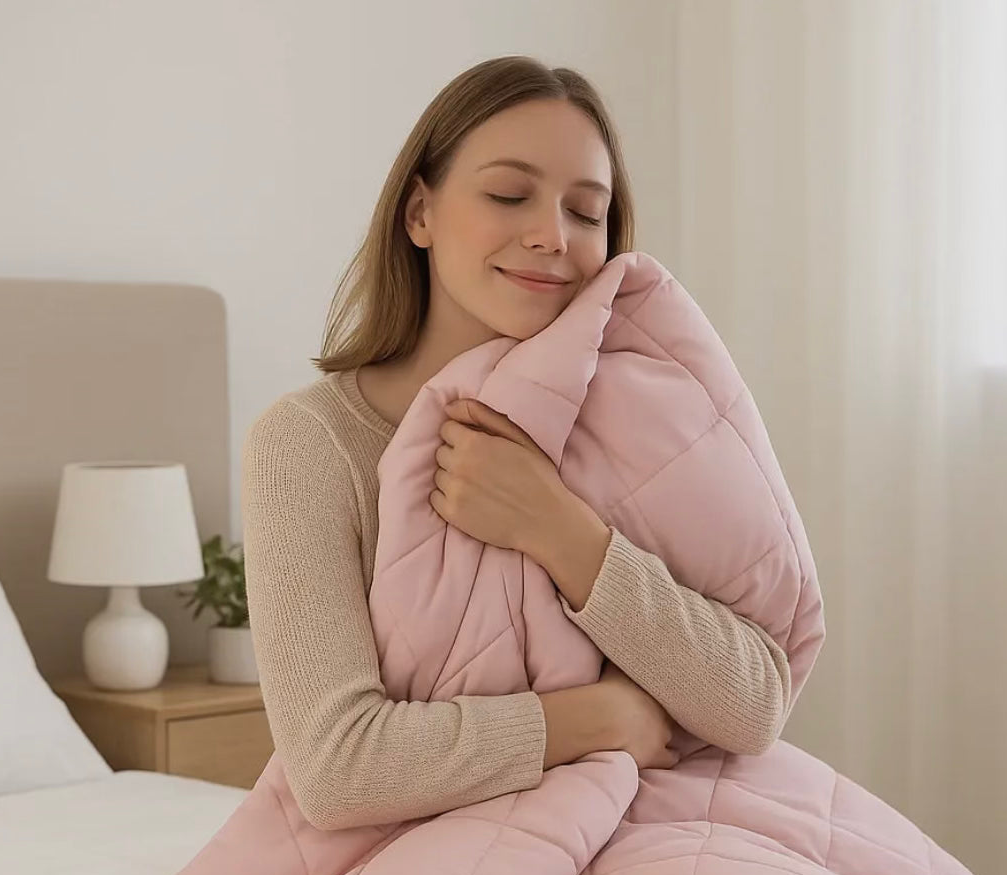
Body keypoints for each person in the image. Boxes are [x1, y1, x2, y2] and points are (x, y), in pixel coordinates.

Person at [241, 55, 792, 832]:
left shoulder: (637, 422)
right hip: (429, 870)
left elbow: (754, 707)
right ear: (418, 214)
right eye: (508, 195)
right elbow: (336, 771)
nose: (551, 236)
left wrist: (559, 529)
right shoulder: (310, 444)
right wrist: (594, 720)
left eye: (586, 211)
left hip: (646, 836)